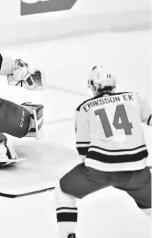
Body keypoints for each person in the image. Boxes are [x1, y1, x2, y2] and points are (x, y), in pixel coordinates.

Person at [55, 66, 151, 238]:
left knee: (64, 192)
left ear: (92, 85)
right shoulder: (135, 99)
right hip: (138, 171)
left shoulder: (84, 108)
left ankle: (67, 235)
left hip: (99, 171)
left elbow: (83, 149)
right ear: (113, 84)